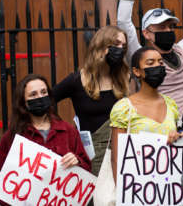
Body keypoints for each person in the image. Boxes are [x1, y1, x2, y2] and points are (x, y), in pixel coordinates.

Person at [0, 74, 91, 206]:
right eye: (33, 94)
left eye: (43, 92)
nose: (40, 97)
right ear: (23, 102)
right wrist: (14, 202)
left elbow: (87, 168)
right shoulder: (13, 136)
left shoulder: (68, 131)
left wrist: (77, 161)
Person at [52, 25, 129, 175]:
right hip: (93, 156)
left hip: (121, 152)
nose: (120, 49)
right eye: (115, 44)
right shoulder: (76, 80)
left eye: (123, 46)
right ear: (101, 46)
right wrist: (66, 132)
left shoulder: (123, 77)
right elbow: (48, 101)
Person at [110, 46, 183, 182]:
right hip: (136, 186)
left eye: (160, 63)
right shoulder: (124, 108)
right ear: (137, 72)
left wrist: (177, 138)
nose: (157, 66)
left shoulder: (171, 105)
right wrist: (123, 193)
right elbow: (117, 158)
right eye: (150, 63)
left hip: (166, 186)